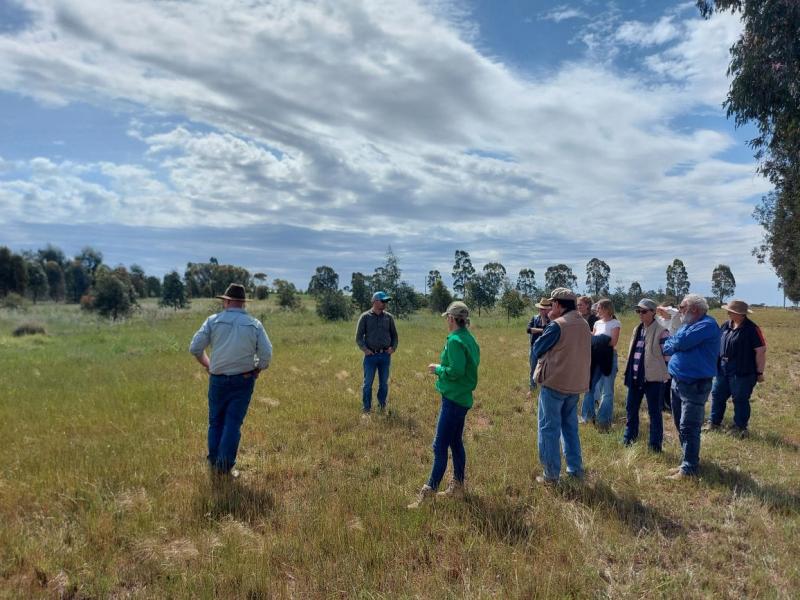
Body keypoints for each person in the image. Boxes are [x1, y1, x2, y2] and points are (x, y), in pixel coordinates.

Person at [189, 283, 272, 478]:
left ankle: (214, 463)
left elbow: (195, 348)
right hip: (243, 380)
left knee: (215, 422)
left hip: (217, 379)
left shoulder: (212, 321)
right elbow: (266, 355)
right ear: (243, 303)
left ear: (226, 301)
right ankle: (224, 468)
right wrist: (257, 369)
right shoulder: (254, 324)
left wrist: (208, 365)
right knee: (232, 424)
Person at [408, 302, 480, 508]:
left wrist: (438, 369)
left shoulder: (456, 340)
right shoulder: (469, 339)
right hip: (462, 398)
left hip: (454, 399)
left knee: (439, 446)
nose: (446, 321)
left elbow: (456, 370)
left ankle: (428, 493)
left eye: (447, 318)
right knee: (455, 442)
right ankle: (458, 486)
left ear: (451, 318)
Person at [531, 288, 591, 484]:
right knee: (570, 428)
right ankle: (575, 470)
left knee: (549, 429)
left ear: (558, 304)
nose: (550, 307)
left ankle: (550, 475)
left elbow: (537, 348)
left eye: (552, 303)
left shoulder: (557, 325)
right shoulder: (583, 323)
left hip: (555, 383)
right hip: (575, 385)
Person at [662, 294, 720, 479]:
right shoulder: (688, 325)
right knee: (680, 424)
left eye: (681, 307)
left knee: (689, 426)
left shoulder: (707, 325)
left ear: (693, 309)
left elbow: (679, 342)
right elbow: (669, 346)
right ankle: (686, 462)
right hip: (678, 380)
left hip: (695, 383)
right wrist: (676, 343)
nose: (679, 310)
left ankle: (689, 468)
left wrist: (677, 343)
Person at [706, 299, 766, 437]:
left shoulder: (752, 329)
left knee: (740, 399)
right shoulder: (726, 326)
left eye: (731, 311)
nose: (728, 313)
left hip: (743, 371)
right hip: (723, 369)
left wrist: (759, 372)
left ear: (740, 314)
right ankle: (714, 422)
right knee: (717, 395)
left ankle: (739, 427)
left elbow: (761, 351)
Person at [622, 299, 670, 452]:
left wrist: (663, 375)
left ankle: (655, 446)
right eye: (638, 311)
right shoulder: (637, 329)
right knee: (631, 408)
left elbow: (668, 357)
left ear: (653, 312)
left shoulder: (662, 331)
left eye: (643, 311)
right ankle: (629, 438)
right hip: (635, 377)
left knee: (654, 412)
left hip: (654, 379)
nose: (640, 314)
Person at [355, 291, 399, 415]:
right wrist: (365, 350)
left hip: (385, 356)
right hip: (370, 356)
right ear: (375, 301)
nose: (385, 303)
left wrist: (393, 348)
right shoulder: (365, 317)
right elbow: (358, 337)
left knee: (383, 384)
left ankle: (381, 407)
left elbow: (395, 335)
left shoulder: (388, 317)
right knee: (367, 384)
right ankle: (366, 409)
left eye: (386, 301)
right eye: (383, 301)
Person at [586, 299, 621, 431]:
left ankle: (603, 420)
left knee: (607, 391)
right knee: (589, 387)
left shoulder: (615, 323)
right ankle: (588, 417)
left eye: (599, 308)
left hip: (608, 358)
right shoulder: (596, 323)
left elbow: (612, 342)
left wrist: (596, 339)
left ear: (607, 309)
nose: (597, 310)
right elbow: (593, 338)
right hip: (595, 357)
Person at [655, 302, 681, 411]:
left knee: (670, 382)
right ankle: (661, 404)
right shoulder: (659, 320)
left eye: (663, 310)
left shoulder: (675, 321)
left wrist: (663, 308)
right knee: (661, 382)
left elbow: (677, 313)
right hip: (659, 355)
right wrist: (658, 310)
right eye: (660, 311)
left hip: (672, 357)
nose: (661, 312)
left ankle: (669, 403)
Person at [526, 297, 551, 391]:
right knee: (533, 368)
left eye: (544, 309)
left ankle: (543, 388)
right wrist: (541, 330)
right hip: (534, 347)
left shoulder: (551, 320)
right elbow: (528, 330)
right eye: (541, 309)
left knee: (544, 369)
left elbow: (546, 332)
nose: (542, 311)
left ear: (548, 309)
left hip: (545, 349)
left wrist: (537, 329)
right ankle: (532, 388)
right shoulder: (535, 318)